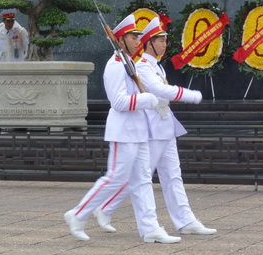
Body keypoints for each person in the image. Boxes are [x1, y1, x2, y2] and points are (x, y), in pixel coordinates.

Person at [89, 16, 217, 236]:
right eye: (160, 41)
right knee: (140, 177)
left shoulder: (155, 66)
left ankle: (185, 220)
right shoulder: (142, 67)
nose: (164, 45)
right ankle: (106, 208)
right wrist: (190, 95)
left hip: (164, 126)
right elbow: (160, 91)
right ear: (150, 43)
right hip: (150, 128)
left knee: (171, 175)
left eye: (165, 40)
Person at [63, 13, 180, 244]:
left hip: (138, 130)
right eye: (133, 36)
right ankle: (78, 214)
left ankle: (150, 228)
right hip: (123, 131)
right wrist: (148, 100)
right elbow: (118, 102)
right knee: (115, 178)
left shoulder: (129, 62)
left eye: (138, 36)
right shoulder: (115, 66)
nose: (139, 40)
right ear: (121, 39)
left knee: (143, 179)